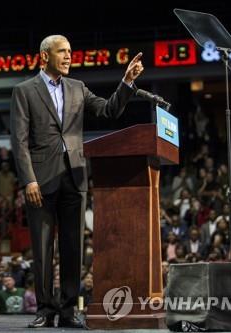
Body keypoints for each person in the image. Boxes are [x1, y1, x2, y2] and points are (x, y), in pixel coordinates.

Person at [10, 34, 143, 328]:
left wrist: (127, 83)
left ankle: (69, 311)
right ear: (45, 56)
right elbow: (18, 142)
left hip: (75, 176)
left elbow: (109, 110)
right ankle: (45, 310)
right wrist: (28, 180)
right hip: (41, 181)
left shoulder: (78, 88)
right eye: (62, 52)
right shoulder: (24, 91)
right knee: (43, 249)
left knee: (72, 247)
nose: (69, 56)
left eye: (71, 51)